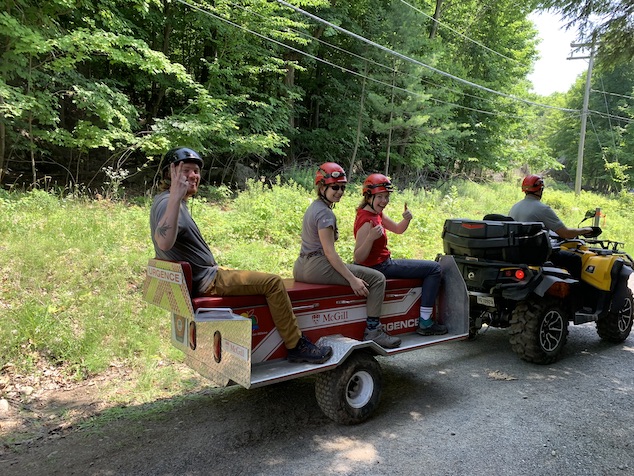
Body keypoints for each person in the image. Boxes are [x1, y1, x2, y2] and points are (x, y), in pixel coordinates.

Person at [150, 147, 332, 364]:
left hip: (208, 274)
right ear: (169, 174)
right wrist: (174, 199)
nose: (193, 175)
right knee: (273, 282)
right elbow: (163, 241)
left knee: (256, 276)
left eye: (196, 171)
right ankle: (295, 345)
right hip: (207, 280)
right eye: (185, 170)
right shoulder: (168, 203)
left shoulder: (168, 201)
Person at [293, 163, 401, 349]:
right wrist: (352, 279)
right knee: (377, 279)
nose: (340, 191)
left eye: (342, 187)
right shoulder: (325, 214)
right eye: (335, 187)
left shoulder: (314, 207)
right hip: (317, 266)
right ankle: (373, 330)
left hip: (301, 266)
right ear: (322, 187)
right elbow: (329, 252)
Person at [353, 173, 448, 336]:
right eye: (380, 197)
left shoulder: (376, 214)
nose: (384, 201)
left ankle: (425, 320)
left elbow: (398, 229)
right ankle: (425, 322)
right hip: (380, 267)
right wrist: (369, 238)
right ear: (368, 196)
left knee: (432, 268)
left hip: (383, 263)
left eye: (386, 196)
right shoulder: (367, 221)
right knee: (434, 269)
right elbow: (358, 257)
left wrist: (406, 219)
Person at [508, 174, 593, 277]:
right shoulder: (542, 208)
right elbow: (565, 233)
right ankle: (576, 292)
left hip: (517, 253)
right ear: (541, 189)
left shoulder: (515, 207)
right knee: (575, 259)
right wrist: (585, 230)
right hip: (536, 255)